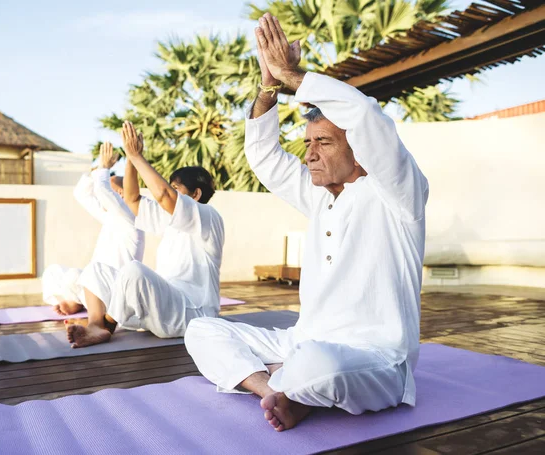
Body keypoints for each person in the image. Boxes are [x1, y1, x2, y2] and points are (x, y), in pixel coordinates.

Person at [184, 13, 429, 432]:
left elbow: (367, 116)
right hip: (303, 339)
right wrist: (269, 87)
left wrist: (293, 75)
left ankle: (293, 381)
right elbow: (263, 157)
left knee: (320, 365)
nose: (310, 154)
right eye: (308, 143)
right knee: (201, 330)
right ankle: (274, 391)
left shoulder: (398, 193)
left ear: (361, 152)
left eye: (324, 142)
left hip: (375, 355)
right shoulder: (317, 196)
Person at [66, 121, 225, 348]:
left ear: (196, 194)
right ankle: (95, 323)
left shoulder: (208, 217)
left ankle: (106, 326)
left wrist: (138, 157)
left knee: (134, 269)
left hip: (194, 314)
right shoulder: (169, 220)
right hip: (166, 309)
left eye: (176, 188)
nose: (172, 192)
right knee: (97, 269)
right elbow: (132, 199)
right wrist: (131, 157)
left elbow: (164, 196)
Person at [42, 143, 145, 315]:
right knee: (53, 272)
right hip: (93, 287)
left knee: (74, 275)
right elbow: (81, 193)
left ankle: (75, 301)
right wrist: (99, 166)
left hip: (113, 293)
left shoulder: (130, 221)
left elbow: (103, 191)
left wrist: (104, 168)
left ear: (119, 195)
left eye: (110, 191)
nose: (101, 196)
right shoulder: (110, 217)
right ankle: (76, 301)